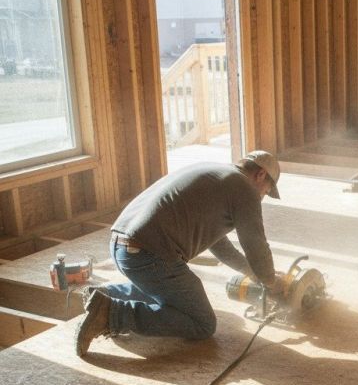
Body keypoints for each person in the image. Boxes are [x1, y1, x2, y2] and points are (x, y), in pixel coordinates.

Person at [75, 151, 284, 357]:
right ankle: (110, 315)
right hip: (150, 255)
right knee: (202, 323)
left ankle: (105, 294)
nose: (262, 196)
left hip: (122, 247)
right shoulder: (244, 188)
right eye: (266, 192)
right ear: (261, 175)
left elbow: (219, 245)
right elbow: (255, 243)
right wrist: (271, 281)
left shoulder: (216, 173)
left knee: (172, 297)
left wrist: (255, 273)